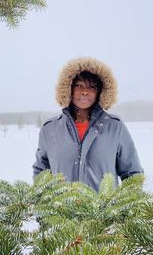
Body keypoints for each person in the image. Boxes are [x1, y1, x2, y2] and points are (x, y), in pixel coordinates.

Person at [33, 57, 144, 191]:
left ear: (100, 92)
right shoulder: (49, 129)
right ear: (68, 88)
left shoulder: (115, 127)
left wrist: (126, 209)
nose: (85, 91)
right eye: (79, 85)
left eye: (92, 87)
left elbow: (132, 175)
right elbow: (41, 173)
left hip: (104, 211)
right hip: (61, 211)